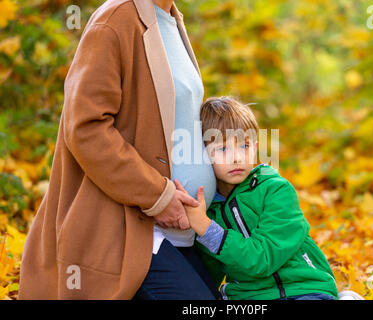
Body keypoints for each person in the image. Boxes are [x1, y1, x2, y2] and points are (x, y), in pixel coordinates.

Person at [19, 0, 219, 299]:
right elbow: (86, 128)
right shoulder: (114, 20)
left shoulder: (170, 17)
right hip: (131, 229)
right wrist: (156, 196)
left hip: (183, 231)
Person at [179, 96, 339, 300]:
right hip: (248, 298)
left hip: (302, 289)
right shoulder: (209, 209)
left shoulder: (276, 191)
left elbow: (263, 259)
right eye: (223, 148)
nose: (236, 157)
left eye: (244, 146)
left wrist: (206, 228)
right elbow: (208, 275)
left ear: (255, 148)